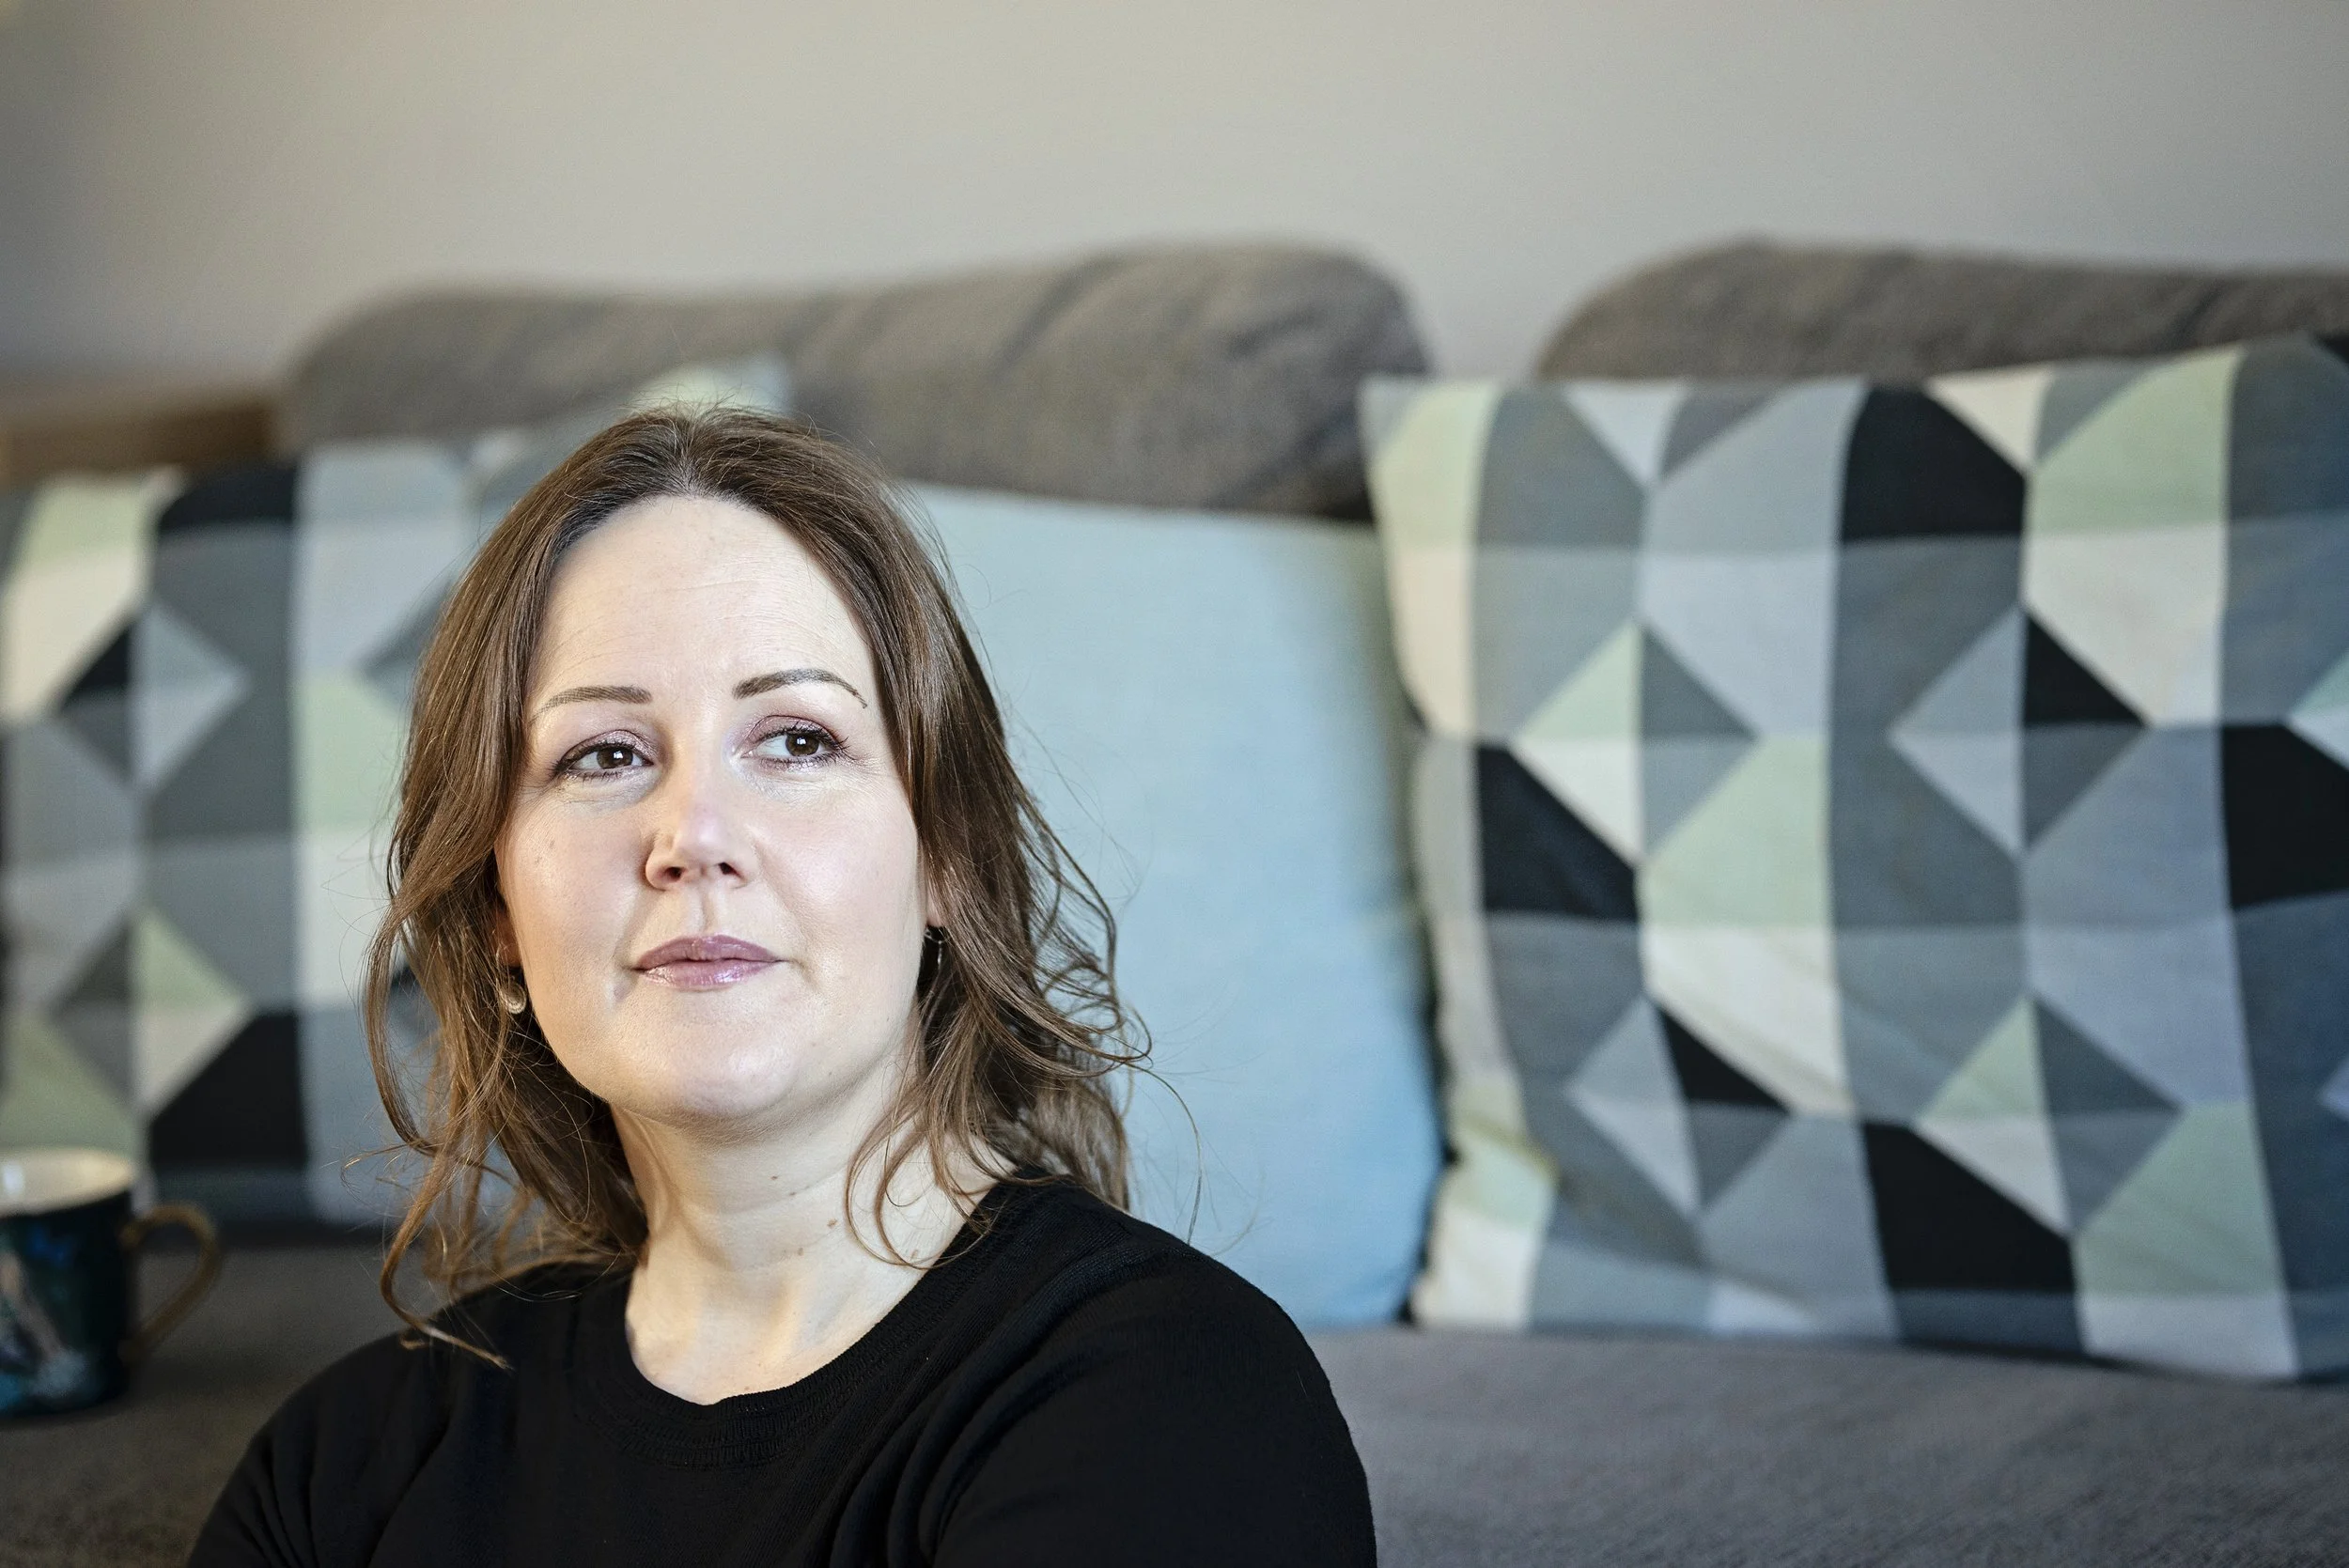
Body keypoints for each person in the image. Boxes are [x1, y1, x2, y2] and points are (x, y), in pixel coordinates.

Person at [190, 408, 1376, 1567]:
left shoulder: (1171, 1398)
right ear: (497, 912)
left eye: (797, 740)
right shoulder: (346, 1458)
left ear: (946, 859)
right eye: (604, 754)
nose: (694, 835)